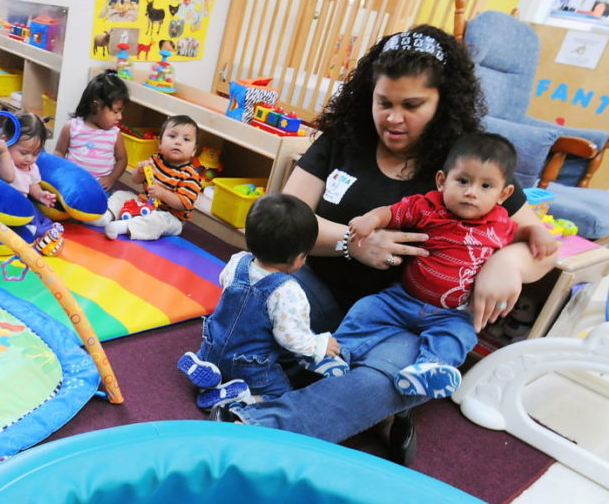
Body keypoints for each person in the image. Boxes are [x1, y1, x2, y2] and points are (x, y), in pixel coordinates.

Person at [211, 25, 556, 466]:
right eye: (384, 103)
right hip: (320, 287)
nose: (394, 118)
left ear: (441, 102)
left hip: (404, 317)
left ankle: (261, 426)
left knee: (379, 381)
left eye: (412, 106)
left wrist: (508, 262)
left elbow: (545, 250)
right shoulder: (344, 138)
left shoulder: (465, 165)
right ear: (368, 95)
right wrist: (350, 245)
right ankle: (365, 405)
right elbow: (284, 220)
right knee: (249, 296)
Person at [340, 132, 558, 398]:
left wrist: (537, 232)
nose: (471, 193)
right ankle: (337, 351)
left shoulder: (499, 223)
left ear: (504, 194)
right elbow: (392, 211)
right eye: (463, 181)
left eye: (485, 186)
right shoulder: (428, 206)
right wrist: (370, 219)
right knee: (365, 310)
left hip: (452, 313)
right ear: (442, 181)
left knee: (460, 338)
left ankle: (429, 371)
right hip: (401, 299)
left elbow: (520, 233)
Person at [177, 194, 348, 410]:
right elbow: (292, 339)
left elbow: (224, 283)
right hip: (250, 366)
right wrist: (320, 345)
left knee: (220, 347)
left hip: (213, 344)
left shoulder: (237, 261)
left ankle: (208, 369)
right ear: (298, 258)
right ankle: (242, 396)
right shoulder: (288, 291)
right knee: (281, 393)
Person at [97, 115, 203, 241]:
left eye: (186, 139)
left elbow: (183, 204)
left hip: (170, 217)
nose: (178, 142)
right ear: (160, 142)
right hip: (145, 203)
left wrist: (163, 194)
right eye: (172, 136)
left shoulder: (190, 175)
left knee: (157, 222)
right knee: (122, 194)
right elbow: (135, 180)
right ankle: (106, 215)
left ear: (194, 150)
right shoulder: (155, 160)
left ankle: (125, 227)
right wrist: (140, 172)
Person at [0, 112, 62, 242]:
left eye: (35, 153)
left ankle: (40, 230)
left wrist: (40, 195)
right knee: (19, 223)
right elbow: (8, 177)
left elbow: (32, 184)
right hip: (1, 205)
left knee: (38, 216)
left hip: (21, 205)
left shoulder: (31, 166)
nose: (29, 158)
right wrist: (3, 152)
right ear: (6, 142)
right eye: (24, 153)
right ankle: (29, 231)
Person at [53, 70, 130, 193]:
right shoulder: (72, 127)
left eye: (121, 112)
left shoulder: (114, 133)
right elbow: (59, 152)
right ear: (96, 105)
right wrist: (61, 172)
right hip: (72, 182)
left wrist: (111, 178)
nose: (120, 117)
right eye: (115, 111)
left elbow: (122, 160)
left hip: (99, 188)